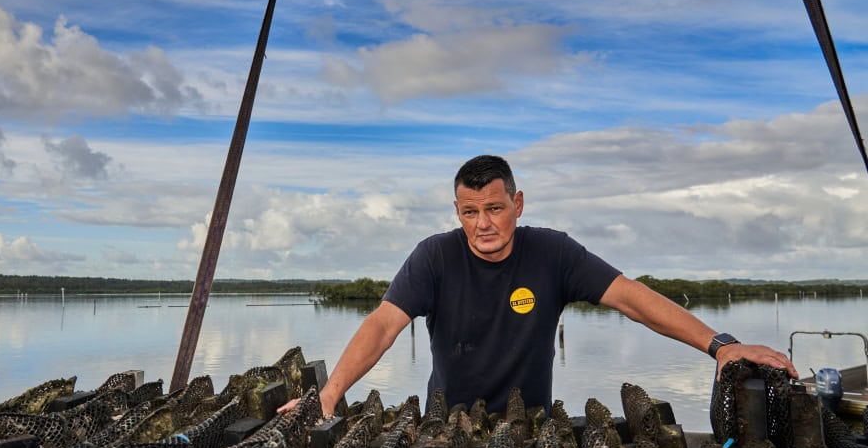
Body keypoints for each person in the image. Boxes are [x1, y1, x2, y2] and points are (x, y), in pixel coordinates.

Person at [290, 154, 798, 418]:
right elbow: (383, 325)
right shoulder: (434, 255)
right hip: (445, 424)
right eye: (470, 212)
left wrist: (719, 345)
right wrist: (330, 393)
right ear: (457, 212)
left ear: (518, 204)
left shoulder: (553, 252)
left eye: (494, 208)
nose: (482, 224)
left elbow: (631, 298)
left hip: (530, 428)